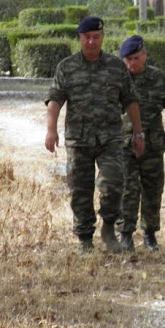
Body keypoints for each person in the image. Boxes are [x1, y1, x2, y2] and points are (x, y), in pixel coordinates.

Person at [45, 16, 145, 254]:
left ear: (102, 38)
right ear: (80, 38)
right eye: (87, 37)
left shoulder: (115, 66)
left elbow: (130, 101)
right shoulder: (66, 67)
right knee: (80, 189)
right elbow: (55, 100)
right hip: (79, 139)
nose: (91, 42)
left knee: (113, 183)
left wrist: (138, 133)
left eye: (96, 37)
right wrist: (51, 130)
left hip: (110, 137)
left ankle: (109, 228)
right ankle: (85, 239)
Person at [118, 35, 165, 252]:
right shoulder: (119, 79)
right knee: (127, 189)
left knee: (153, 189)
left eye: (136, 58)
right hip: (125, 144)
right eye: (128, 59)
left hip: (152, 143)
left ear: (145, 55)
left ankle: (150, 234)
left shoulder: (158, 78)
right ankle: (125, 233)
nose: (133, 63)